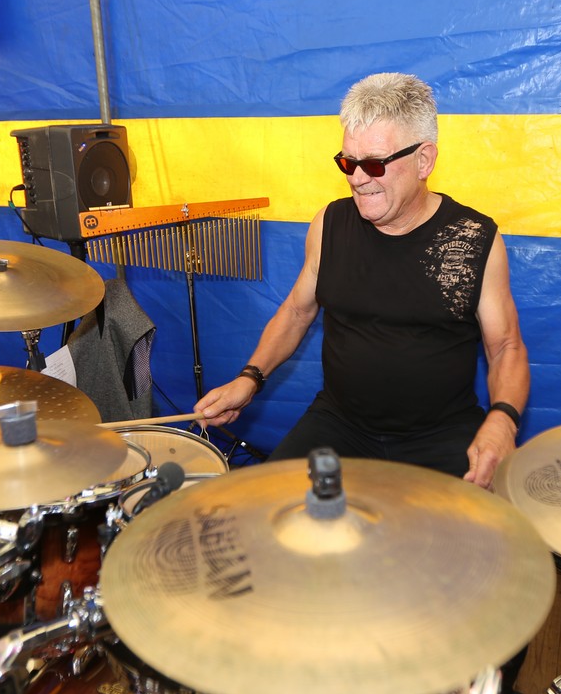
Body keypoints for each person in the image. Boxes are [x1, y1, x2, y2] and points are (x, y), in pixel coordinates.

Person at [194, 71, 529, 488]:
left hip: (441, 434)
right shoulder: (330, 223)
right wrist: (250, 377)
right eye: (347, 162)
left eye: (373, 164)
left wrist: (502, 419)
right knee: (266, 508)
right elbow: (297, 312)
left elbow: (506, 346)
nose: (356, 178)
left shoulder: (474, 238)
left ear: (424, 160)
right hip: (339, 424)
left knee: (475, 526)